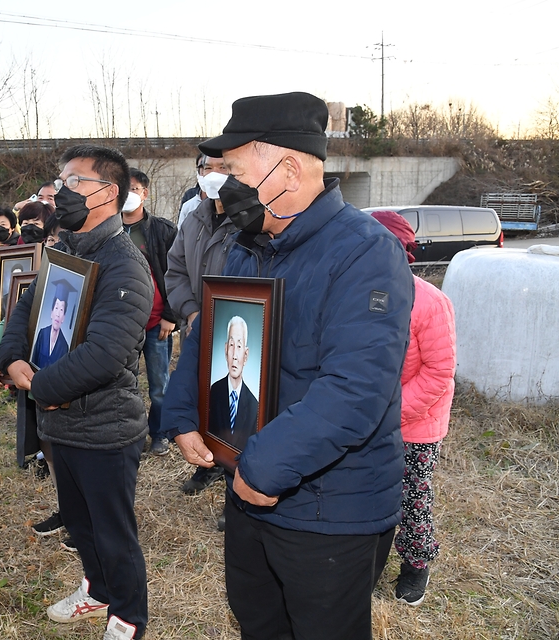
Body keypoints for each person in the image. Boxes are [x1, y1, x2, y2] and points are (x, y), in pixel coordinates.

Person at [161, 92, 414, 640]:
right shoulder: (248, 246)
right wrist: (182, 413)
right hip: (251, 487)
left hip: (329, 508)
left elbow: (355, 389)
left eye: (233, 169)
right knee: (258, 618)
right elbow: (211, 327)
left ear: (289, 169)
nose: (222, 185)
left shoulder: (366, 252)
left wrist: (261, 466)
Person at [0, 144, 153, 640]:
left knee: (113, 534)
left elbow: (106, 353)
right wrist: (10, 356)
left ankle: (127, 617)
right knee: (81, 526)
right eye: (60, 181)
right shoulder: (65, 249)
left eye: (73, 182)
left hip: (104, 426)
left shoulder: (126, 265)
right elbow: (27, 310)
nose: (60, 192)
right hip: (61, 422)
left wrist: (38, 385)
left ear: (107, 193)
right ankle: (97, 590)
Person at [370, 210, 456, 607]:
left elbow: (440, 372)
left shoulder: (431, 302)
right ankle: (367, 564)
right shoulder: (364, 294)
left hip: (416, 425)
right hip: (370, 419)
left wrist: (392, 412)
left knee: (413, 498)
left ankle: (416, 565)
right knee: (368, 495)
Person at [164, 152, 234, 495]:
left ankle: (235, 480)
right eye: (208, 168)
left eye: (224, 168)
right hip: (197, 330)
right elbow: (175, 271)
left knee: (236, 406)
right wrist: (191, 312)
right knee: (201, 399)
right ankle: (208, 464)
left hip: (236, 332)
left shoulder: (250, 222)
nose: (215, 175)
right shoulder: (193, 220)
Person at [122, 168, 178, 456]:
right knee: (124, 385)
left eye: (133, 188)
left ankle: (159, 434)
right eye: (123, 187)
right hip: (122, 324)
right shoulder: (108, 230)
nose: (128, 194)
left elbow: (176, 274)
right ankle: (131, 434)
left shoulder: (162, 230)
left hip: (158, 323)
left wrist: (171, 314)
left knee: (159, 386)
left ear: (144, 193)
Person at [208, 316, 258, 451]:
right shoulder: (214, 391)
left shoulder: (254, 405)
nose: (235, 355)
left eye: (239, 346)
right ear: (225, 350)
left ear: (246, 355)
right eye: (231, 345)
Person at [30, 281, 73, 369]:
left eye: (61, 309)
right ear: (51, 312)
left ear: (64, 317)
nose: (58, 314)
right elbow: (33, 360)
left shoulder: (64, 346)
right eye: (56, 308)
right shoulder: (42, 333)